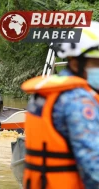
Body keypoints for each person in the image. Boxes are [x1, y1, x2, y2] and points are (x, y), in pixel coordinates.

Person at [21, 21, 99, 189]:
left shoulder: (46, 93)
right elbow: (94, 168)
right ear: (76, 63)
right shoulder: (78, 100)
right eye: (97, 63)